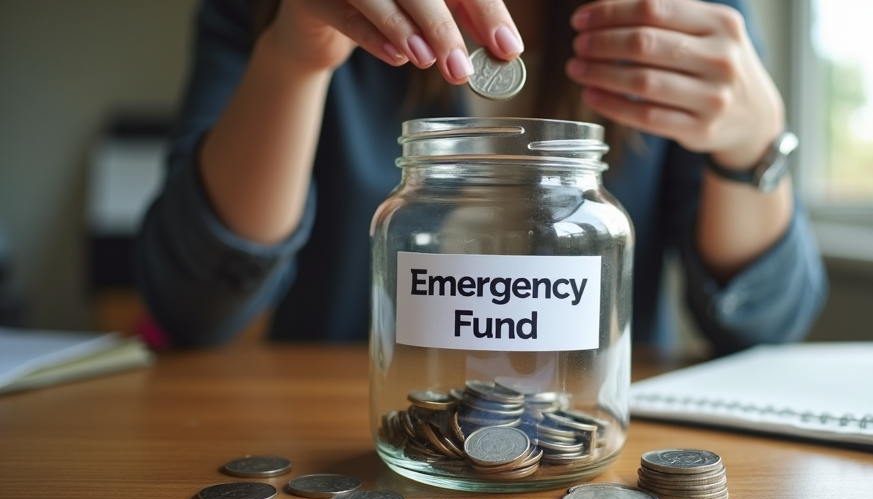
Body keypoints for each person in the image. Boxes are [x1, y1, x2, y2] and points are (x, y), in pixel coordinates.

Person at [137, 0, 827, 354]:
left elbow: (767, 326)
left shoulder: (690, 16)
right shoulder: (275, 7)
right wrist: (296, 54)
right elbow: (191, 305)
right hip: (346, 442)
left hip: (585, 449)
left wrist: (754, 143)